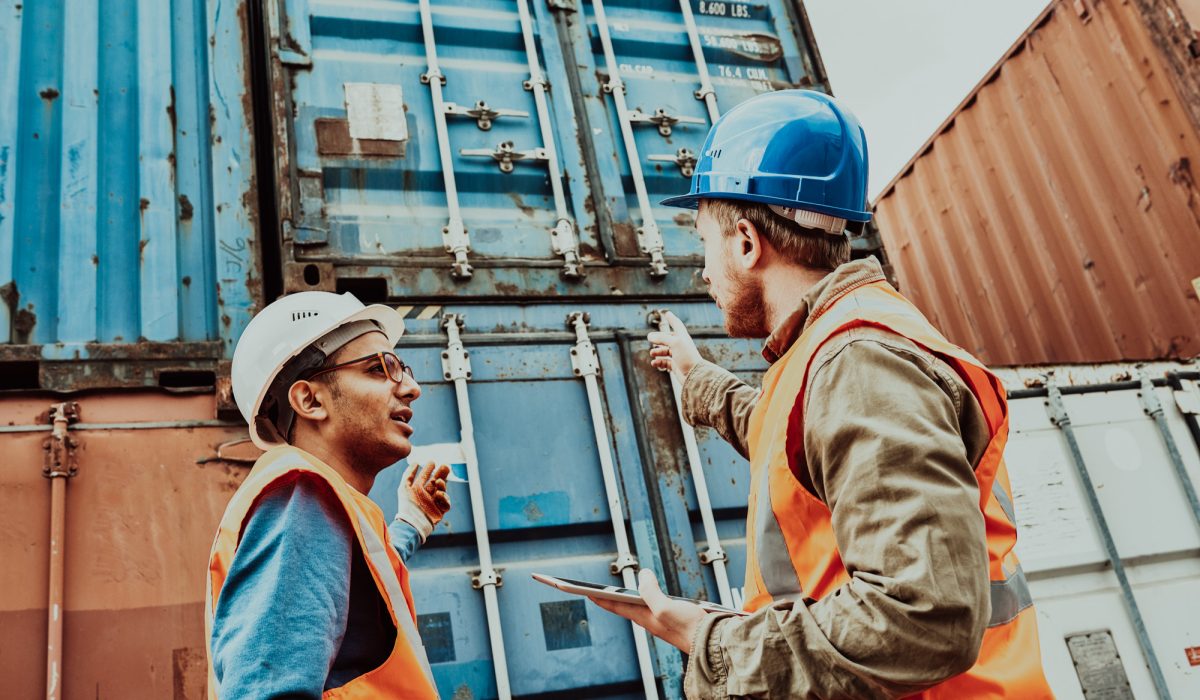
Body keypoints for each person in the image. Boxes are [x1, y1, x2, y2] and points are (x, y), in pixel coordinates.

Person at [590, 90, 1054, 698]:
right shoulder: (833, 343)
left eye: (704, 241)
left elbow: (923, 617)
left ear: (748, 242)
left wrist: (715, 642)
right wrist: (697, 378)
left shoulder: (859, 359)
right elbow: (795, 441)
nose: (702, 270)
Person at [205, 291, 451, 698]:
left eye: (401, 368)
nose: (411, 387)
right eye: (378, 368)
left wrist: (413, 523)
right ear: (310, 400)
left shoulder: (321, 505)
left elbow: (352, 587)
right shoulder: (303, 495)